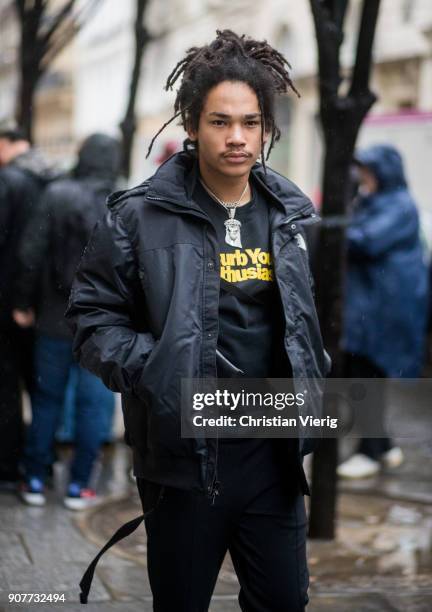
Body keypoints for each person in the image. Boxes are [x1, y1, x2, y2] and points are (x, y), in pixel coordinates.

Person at [66, 31, 330, 610]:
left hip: (273, 455)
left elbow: (304, 326)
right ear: (190, 123)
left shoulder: (290, 215)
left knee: (284, 601)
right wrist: (159, 372)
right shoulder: (137, 217)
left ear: (267, 128)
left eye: (250, 122)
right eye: (219, 121)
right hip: (185, 460)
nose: (237, 137)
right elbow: (91, 320)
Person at [13, 133, 119, 509]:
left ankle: (36, 479)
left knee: (46, 400)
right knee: (94, 406)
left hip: (54, 319)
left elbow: (30, 252)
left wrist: (23, 303)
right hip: (104, 327)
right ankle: (79, 486)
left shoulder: (56, 195)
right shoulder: (123, 202)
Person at [339, 144, 429, 479]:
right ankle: (383, 446)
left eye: (368, 170)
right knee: (361, 376)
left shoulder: (399, 206)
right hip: (368, 308)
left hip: (383, 311)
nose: (363, 177)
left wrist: (336, 218)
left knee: (365, 378)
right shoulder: (371, 202)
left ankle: (370, 451)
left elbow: (364, 241)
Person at [0, 128, 54, 487]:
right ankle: (40, 463)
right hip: (48, 304)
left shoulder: (9, 181)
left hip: (9, 301)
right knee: (41, 386)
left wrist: (17, 298)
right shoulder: (52, 177)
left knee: (6, 385)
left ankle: (8, 466)